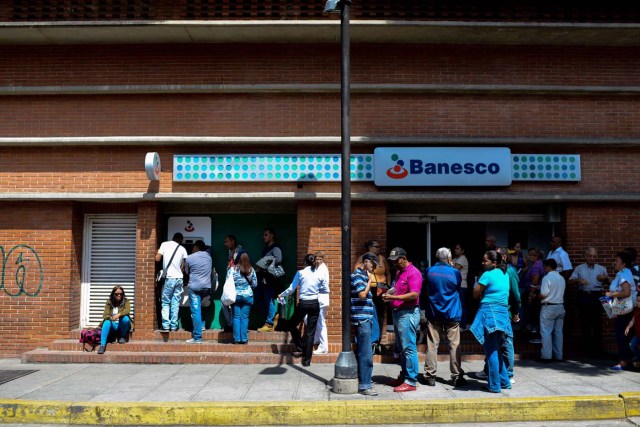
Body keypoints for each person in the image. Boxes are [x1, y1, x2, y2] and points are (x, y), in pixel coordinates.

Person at [477, 246, 520, 383]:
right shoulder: (498, 273)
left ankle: (506, 374)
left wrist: (515, 313)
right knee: (494, 346)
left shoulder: (509, 272)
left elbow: (516, 295)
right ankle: (497, 376)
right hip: (499, 311)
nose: (483, 263)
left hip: (500, 312)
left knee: (502, 345)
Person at [471, 250, 512, 393]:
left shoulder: (487, 274)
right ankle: (505, 381)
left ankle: (494, 385)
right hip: (502, 314)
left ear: (494, 263)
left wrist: (481, 293)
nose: (483, 263)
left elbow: (475, 292)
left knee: (491, 350)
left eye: (485, 261)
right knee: (496, 348)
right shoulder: (505, 274)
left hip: (490, 312)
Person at [423, 247, 465, 387]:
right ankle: (456, 375)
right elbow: (457, 288)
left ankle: (430, 375)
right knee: (454, 346)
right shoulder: (455, 272)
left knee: (432, 345)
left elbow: (426, 289)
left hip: (434, 312)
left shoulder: (429, 271)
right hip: (452, 312)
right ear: (449, 258)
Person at [383, 247, 422, 393]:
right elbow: (398, 289)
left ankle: (411, 381)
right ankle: (405, 376)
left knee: (409, 348)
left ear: (404, 258)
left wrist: (393, 298)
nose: (394, 263)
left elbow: (413, 295)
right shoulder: (400, 272)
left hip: (408, 313)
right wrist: (390, 293)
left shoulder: (414, 273)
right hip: (399, 313)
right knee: (401, 348)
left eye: (396, 260)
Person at [278, 253, 328, 367]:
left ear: (305, 262)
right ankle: (307, 360)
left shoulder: (300, 273)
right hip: (315, 303)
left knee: (291, 324)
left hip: (304, 303)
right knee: (310, 332)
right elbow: (325, 289)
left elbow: (291, 288)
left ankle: (301, 346)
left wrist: (282, 294)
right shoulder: (319, 274)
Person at [600, 250, 638, 370]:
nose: (614, 263)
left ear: (623, 264)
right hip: (621, 310)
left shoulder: (624, 274)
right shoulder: (622, 273)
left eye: (617, 261)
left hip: (625, 311)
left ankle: (624, 361)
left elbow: (626, 292)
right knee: (623, 335)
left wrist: (611, 294)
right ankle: (628, 360)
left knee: (622, 336)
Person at [567, 247, 608, 356]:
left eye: (594, 256)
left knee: (597, 322)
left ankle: (598, 350)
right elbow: (570, 281)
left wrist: (606, 278)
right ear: (585, 256)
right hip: (584, 296)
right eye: (590, 256)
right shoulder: (579, 268)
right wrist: (578, 280)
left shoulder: (601, 269)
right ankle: (586, 349)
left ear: (596, 257)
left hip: (596, 296)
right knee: (584, 322)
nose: (592, 258)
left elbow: (610, 284)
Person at [351, 252, 379, 396]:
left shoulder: (362, 275)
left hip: (365, 319)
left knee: (364, 351)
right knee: (366, 353)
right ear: (366, 262)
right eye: (373, 265)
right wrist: (369, 281)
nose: (374, 269)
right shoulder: (358, 275)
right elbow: (362, 295)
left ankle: (364, 380)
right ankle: (365, 385)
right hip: (361, 320)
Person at [356, 240, 392, 348]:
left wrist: (388, 287)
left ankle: (378, 339)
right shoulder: (362, 259)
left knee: (380, 314)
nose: (378, 249)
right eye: (376, 247)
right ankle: (370, 339)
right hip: (369, 288)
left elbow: (388, 273)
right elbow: (356, 271)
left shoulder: (381, 259)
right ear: (369, 247)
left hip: (381, 288)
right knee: (370, 313)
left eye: (379, 247)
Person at [533, 259, 566, 362]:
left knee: (546, 332)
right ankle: (558, 355)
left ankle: (546, 356)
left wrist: (535, 295)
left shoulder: (547, 278)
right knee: (558, 332)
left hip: (549, 306)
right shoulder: (561, 278)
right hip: (560, 306)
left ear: (547, 267)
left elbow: (544, 294)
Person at [155, 232, 188, 332]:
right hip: (179, 279)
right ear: (181, 240)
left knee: (165, 302)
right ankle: (174, 326)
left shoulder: (164, 244)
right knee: (175, 302)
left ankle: (166, 325)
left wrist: (156, 252)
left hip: (169, 278)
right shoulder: (182, 249)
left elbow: (157, 259)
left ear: (172, 238)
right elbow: (183, 267)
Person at [184, 240, 212, 344]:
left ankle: (197, 337)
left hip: (194, 287)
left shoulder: (189, 257)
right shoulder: (209, 257)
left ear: (196, 247)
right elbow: (209, 248)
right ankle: (202, 325)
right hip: (206, 287)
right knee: (200, 308)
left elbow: (186, 271)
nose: (192, 249)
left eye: (193, 247)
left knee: (195, 311)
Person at [257, 228, 283, 332]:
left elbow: (279, 259)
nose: (264, 237)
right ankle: (274, 314)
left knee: (268, 299)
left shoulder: (276, 247)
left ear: (272, 235)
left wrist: (265, 262)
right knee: (258, 299)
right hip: (263, 278)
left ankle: (269, 323)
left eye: (266, 234)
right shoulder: (265, 249)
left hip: (271, 279)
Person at [230, 251, 258, 344]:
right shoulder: (251, 270)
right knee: (245, 318)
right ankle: (244, 339)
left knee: (236, 317)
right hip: (247, 296)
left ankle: (237, 339)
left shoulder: (232, 270)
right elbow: (255, 284)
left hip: (236, 296)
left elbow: (228, 282)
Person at [97, 286, 133, 354]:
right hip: (113, 325)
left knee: (125, 319)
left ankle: (122, 336)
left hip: (121, 325)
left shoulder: (126, 301)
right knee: (107, 322)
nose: (119, 295)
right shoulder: (109, 302)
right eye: (116, 294)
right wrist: (111, 318)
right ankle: (102, 345)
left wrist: (118, 315)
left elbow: (127, 310)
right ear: (113, 294)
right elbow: (105, 315)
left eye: (121, 294)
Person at [524, 247, 545, 343]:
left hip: (535, 292)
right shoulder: (539, 264)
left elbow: (535, 280)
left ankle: (537, 335)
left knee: (535, 314)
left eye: (529, 255)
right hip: (536, 291)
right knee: (536, 313)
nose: (528, 257)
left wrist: (530, 295)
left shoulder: (536, 266)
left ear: (535, 256)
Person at [313, 251, 330, 355]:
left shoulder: (323, 269)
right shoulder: (317, 268)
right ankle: (316, 338)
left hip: (321, 299)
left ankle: (323, 346)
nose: (318, 261)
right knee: (307, 317)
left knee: (321, 322)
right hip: (317, 298)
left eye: (320, 259)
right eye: (317, 259)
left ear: (323, 260)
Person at [452, 243, 469, 329]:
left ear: (462, 251)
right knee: (457, 305)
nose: (455, 250)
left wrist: (450, 264)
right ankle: (457, 324)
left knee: (462, 305)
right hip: (456, 285)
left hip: (462, 285)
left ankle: (463, 325)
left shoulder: (463, 259)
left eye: (458, 249)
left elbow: (453, 270)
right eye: (455, 248)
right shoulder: (455, 259)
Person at [624, 294, 640, 369]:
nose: (637, 302)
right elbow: (633, 320)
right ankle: (638, 358)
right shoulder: (636, 310)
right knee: (632, 345)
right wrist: (628, 327)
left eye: (639, 301)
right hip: (638, 334)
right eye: (637, 300)